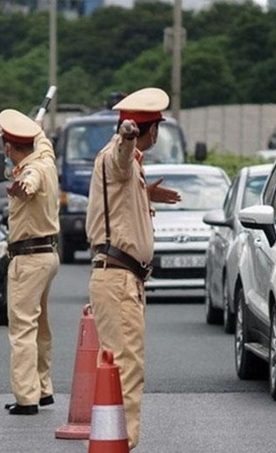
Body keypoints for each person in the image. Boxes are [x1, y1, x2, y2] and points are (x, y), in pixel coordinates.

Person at [85, 87, 181, 449]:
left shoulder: (131, 168)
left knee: (116, 363)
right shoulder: (119, 154)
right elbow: (120, 159)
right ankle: (121, 442)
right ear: (151, 130)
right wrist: (127, 136)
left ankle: (113, 439)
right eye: (155, 128)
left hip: (122, 278)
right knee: (127, 366)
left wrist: (147, 193)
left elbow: (122, 180)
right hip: (118, 278)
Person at [0, 108, 60, 416]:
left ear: (8, 147)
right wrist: (37, 129)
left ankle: (26, 397)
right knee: (40, 327)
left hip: (28, 258)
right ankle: (43, 387)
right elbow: (44, 143)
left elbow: (30, 181)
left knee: (22, 329)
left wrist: (23, 186)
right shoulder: (46, 159)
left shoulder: (31, 171)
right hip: (48, 255)